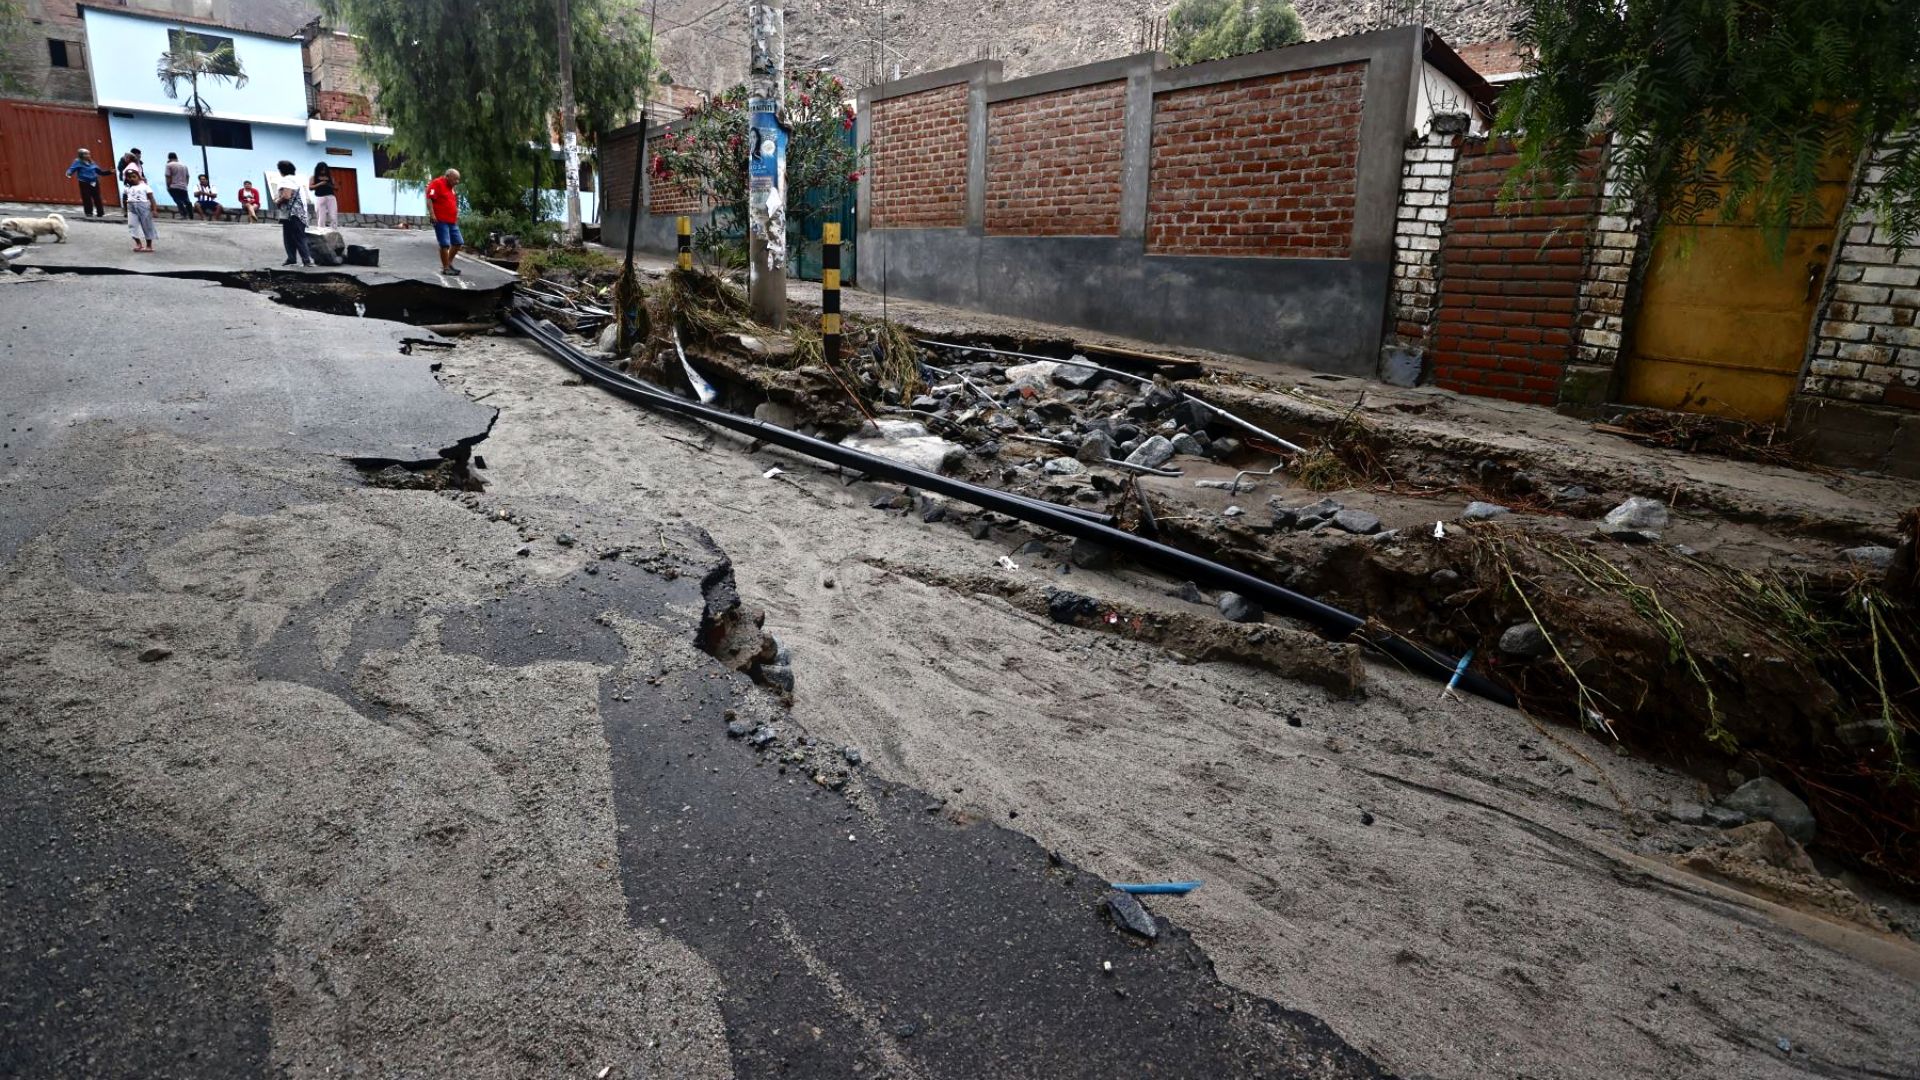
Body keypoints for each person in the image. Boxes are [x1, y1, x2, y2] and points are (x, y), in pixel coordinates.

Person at [271, 160, 312, 267]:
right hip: (299, 212)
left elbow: (286, 196)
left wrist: (277, 201)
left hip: (292, 213)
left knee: (295, 237)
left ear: (281, 170)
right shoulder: (296, 180)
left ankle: (305, 260)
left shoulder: (286, 180)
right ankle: (292, 258)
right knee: (292, 236)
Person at [424, 168, 463, 275]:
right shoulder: (437, 183)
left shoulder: (451, 187)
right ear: (448, 176)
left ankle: (448, 264)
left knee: (458, 242)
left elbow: (451, 201)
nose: (457, 182)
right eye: (455, 179)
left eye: (458, 179)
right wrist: (432, 214)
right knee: (445, 244)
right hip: (441, 219)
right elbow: (429, 198)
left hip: (452, 220)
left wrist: (456, 213)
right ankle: (446, 268)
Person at [64, 148, 107, 218]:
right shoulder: (78, 161)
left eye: (89, 154)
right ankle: (89, 213)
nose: (88, 155)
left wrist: (109, 172)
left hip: (94, 182)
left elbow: (99, 172)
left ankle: (100, 213)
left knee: (97, 198)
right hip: (84, 183)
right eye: (86, 154)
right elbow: (71, 169)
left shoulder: (92, 162)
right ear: (81, 155)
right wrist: (69, 173)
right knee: (87, 198)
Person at [122, 168, 156, 252]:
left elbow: (152, 199)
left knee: (147, 226)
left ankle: (149, 245)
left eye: (134, 176)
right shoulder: (127, 188)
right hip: (131, 208)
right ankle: (138, 243)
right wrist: (125, 210)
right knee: (132, 226)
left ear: (138, 177)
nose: (132, 179)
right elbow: (124, 199)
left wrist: (154, 210)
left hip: (143, 208)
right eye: (129, 177)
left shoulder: (145, 186)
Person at [163, 152, 193, 220]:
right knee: (186, 201)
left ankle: (184, 214)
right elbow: (187, 176)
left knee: (178, 200)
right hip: (183, 186)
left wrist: (168, 186)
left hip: (174, 186)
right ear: (176, 157)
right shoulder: (184, 165)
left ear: (169, 158)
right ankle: (191, 215)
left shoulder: (169, 165)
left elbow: (168, 176)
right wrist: (186, 184)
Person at [310, 161, 338, 229]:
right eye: (322, 169)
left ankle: (333, 231)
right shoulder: (313, 177)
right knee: (321, 217)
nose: (323, 171)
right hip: (320, 198)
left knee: (333, 216)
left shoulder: (330, 177)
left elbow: (336, 188)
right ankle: (321, 232)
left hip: (331, 198)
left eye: (325, 169)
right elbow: (310, 187)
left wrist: (329, 184)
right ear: (318, 169)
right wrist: (320, 184)